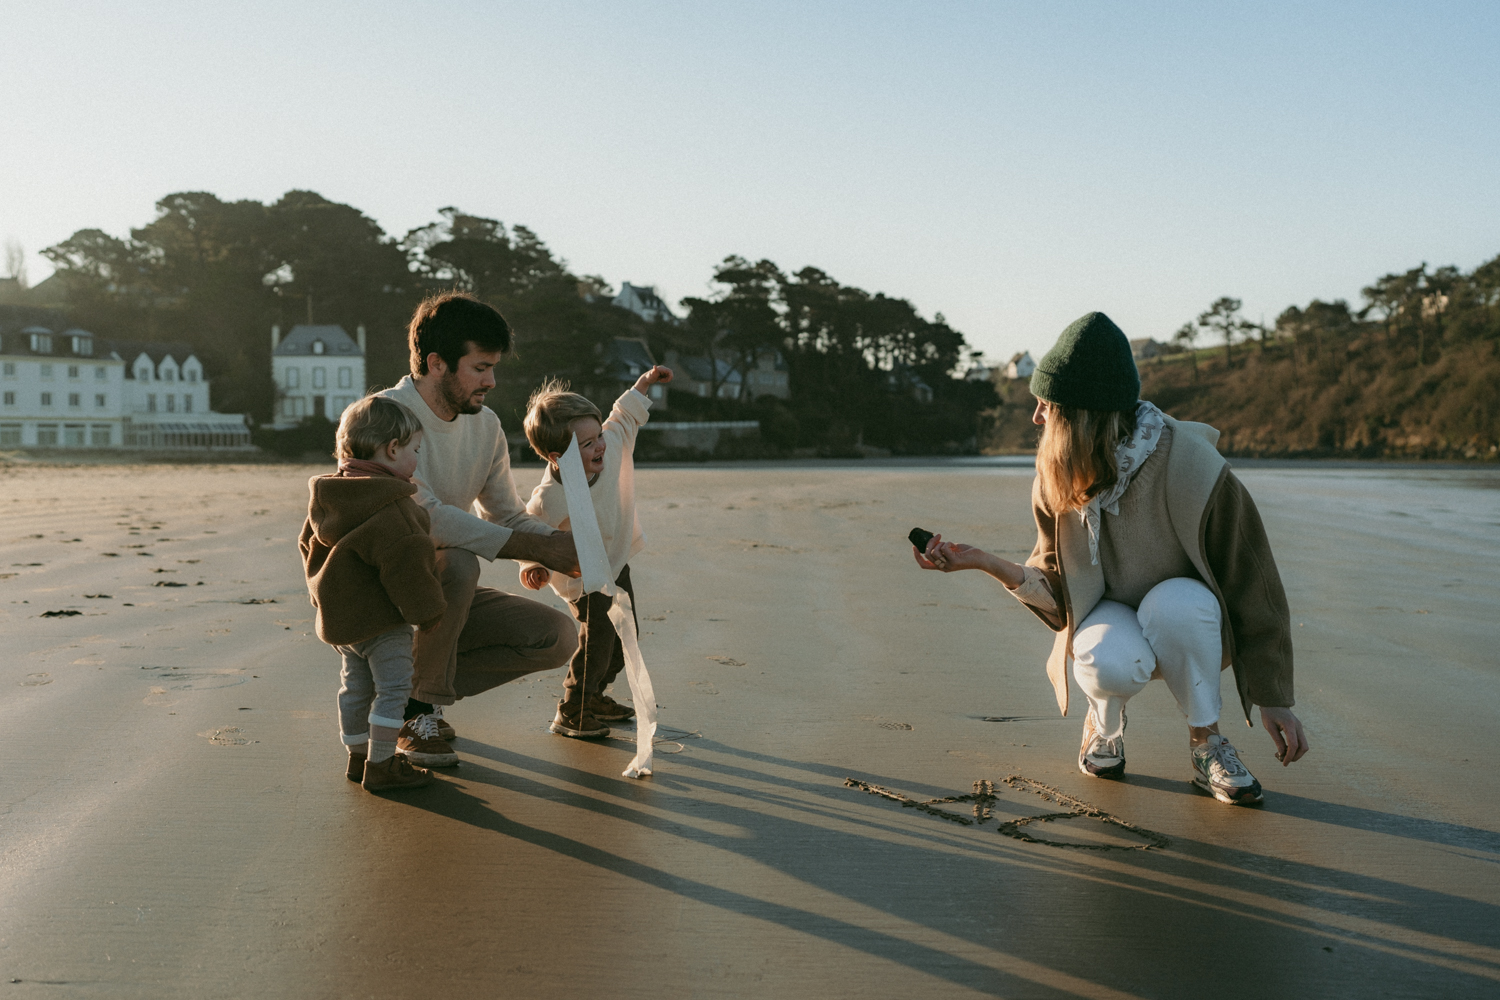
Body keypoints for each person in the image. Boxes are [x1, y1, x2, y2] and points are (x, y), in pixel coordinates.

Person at [915, 312, 1309, 805]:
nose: (1036, 417)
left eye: (1046, 404)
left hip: (1189, 623)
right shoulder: (1055, 478)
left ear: (1081, 412)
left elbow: (1255, 583)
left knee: (1178, 602)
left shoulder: (1194, 467)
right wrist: (983, 562)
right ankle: (1104, 728)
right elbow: (1061, 598)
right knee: (1104, 658)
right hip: (1109, 616)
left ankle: (1206, 744)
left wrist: (1273, 696)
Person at [376, 292, 581, 767]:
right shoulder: (384, 416)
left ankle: (402, 698)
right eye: (480, 367)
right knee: (458, 560)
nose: (492, 381)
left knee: (557, 637)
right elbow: (427, 519)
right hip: (384, 588)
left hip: (444, 591)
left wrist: (563, 545)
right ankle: (418, 709)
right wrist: (539, 547)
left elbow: (504, 514)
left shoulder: (484, 425)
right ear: (437, 363)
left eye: (494, 368)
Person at [299, 395, 446, 793]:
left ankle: (358, 757)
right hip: (384, 623)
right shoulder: (392, 506)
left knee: (354, 689)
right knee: (394, 690)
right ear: (392, 449)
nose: (417, 459)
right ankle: (381, 767)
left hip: (344, 625)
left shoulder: (329, 499)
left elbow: (308, 549)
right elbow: (408, 566)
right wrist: (429, 612)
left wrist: (322, 597)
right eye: (415, 450)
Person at [519, 365, 673, 738]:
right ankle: (573, 708)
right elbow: (529, 534)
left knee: (626, 635)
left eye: (597, 435)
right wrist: (533, 566)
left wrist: (645, 382)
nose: (599, 445)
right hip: (582, 578)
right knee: (600, 639)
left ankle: (597, 695)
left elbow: (624, 413)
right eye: (586, 444)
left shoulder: (614, 444)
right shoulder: (548, 499)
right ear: (557, 457)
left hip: (616, 563)